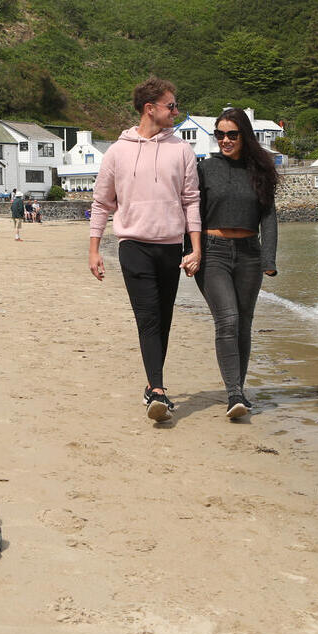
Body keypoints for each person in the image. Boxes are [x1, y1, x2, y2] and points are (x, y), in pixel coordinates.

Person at [89, 77, 201, 422]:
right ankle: (158, 391)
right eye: (171, 105)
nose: (176, 112)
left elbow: (191, 201)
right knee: (148, 316)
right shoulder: (117, 152)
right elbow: (101, 203)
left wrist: (196, 248)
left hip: (170, 247)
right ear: (150, 108)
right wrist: (94, 249)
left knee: (163, 318)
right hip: (133, 245)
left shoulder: (182, 150)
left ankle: (152, 384)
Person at [194, 108, 278, 420]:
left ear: (245, 135)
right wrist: (191, 251)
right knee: (227, 320)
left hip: (250, 255)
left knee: (243, 323)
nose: (225, 140)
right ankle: (233, 394)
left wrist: (268, 259)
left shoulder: (261, 170)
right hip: (212, 252)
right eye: (220, 134)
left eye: (232, 134)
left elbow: (269, 218)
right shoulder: (205, 169)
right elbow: (192, 213)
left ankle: (238, 391)